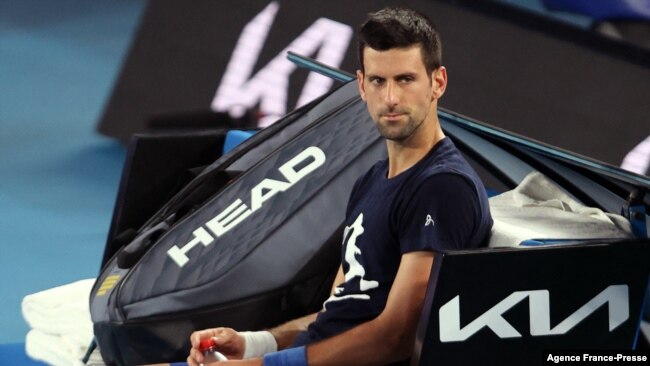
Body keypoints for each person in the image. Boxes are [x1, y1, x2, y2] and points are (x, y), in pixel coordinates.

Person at [186, 7, 493, 366]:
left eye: (406, 79)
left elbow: (397, 337)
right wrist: (256, 345)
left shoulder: (441, 188)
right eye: (378, 81)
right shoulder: (371, 181)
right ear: (361, 86)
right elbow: (339, 310)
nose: (391, 98)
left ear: (437, 82)